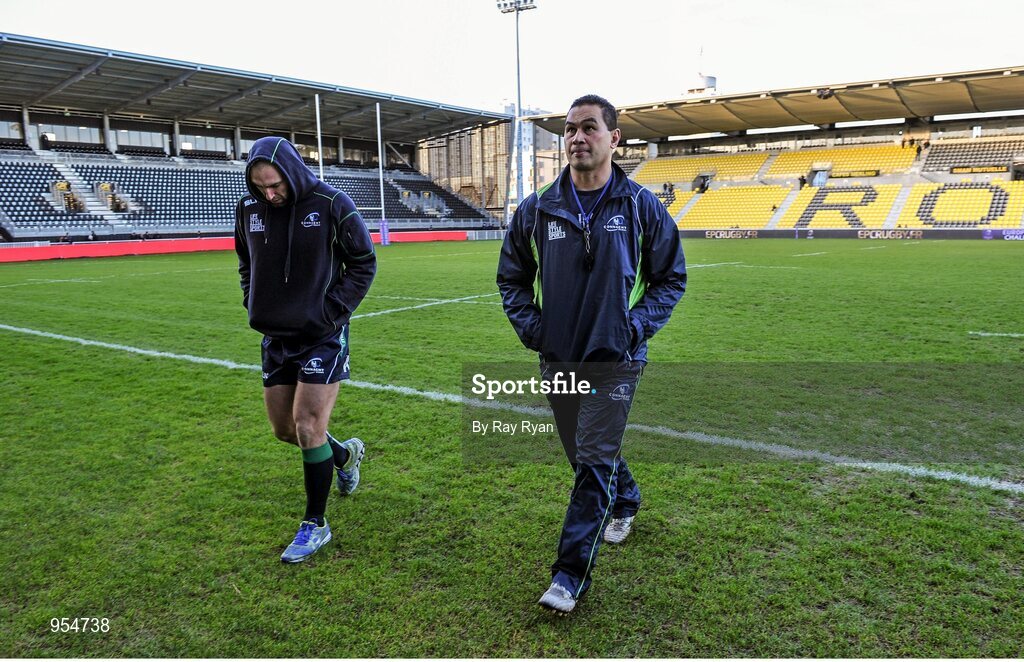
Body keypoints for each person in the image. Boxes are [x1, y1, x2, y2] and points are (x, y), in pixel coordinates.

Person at [497, 95, 687, 615]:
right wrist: (534, 329)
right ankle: (626, 498)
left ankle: (568, 574)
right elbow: (511, 277)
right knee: (581, 454)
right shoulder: (537, 208)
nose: (577, 138)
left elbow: (671, 277)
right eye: (570, 130)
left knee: (593, 458)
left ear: (613, 139)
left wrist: (636, 325)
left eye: (588, 128)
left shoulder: (641, 205)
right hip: (558, 355)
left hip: (616, 356)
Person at [235, 136, 377, 563]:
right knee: (285, 430)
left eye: (275, 185)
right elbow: (245, 261)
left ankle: (316, 524)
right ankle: (346, 455)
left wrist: (330, 311)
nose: (270, 194)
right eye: (261, 187)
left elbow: (363, 262)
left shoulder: (332, 204)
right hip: (275, 337)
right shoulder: (248, 209)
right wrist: (252, 299)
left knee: (308, 425)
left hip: (322, 334)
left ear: (292, 173)